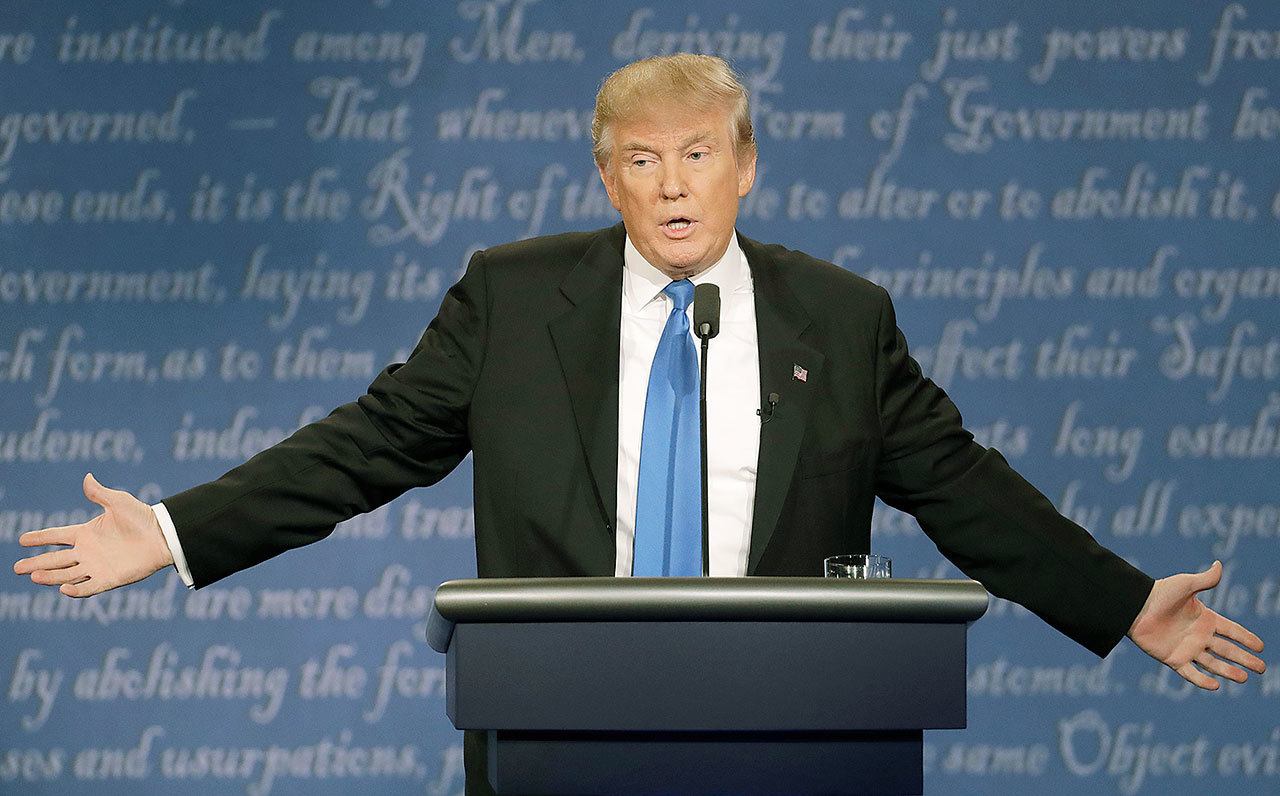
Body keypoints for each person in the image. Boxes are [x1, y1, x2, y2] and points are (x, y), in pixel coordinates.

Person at [13, 53, 1265, 789]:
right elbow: (366, 443)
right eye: (642, 160)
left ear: (746, 164)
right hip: (560, 734)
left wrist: (1116, 600)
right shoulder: (511, 298)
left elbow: (961, 486)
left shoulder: (839, 317)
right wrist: (175, 532)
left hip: (796, 741)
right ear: (603, 174)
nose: (673, 186)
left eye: (699, 155)